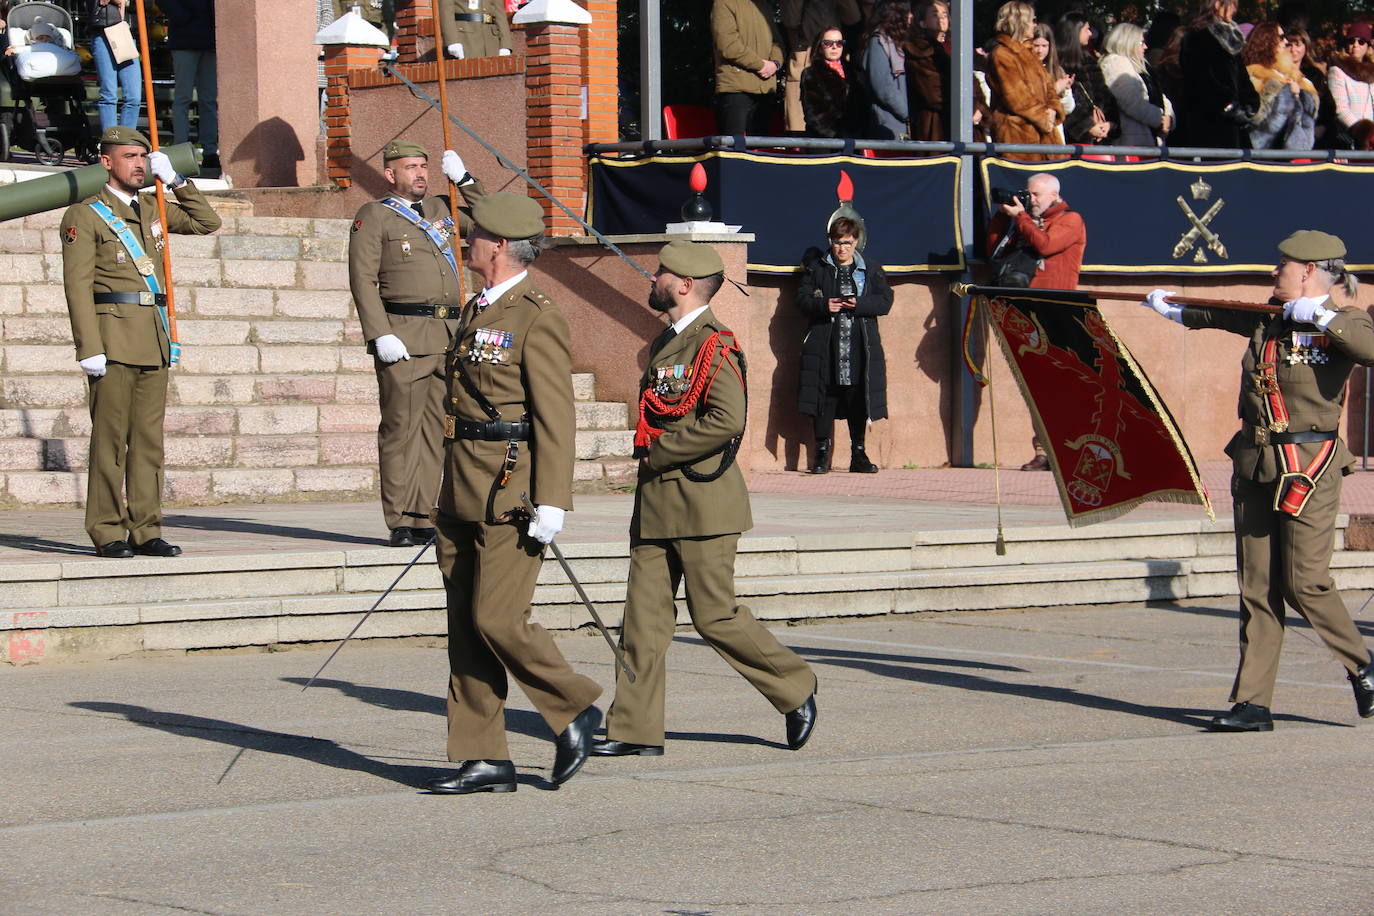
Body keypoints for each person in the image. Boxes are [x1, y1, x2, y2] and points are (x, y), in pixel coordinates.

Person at [589, 241, 818, 759]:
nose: (654, 277)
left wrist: (661, 453)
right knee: (643, 622)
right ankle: (634, 729)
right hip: (656, 505)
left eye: (662, 272)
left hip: (702, 500)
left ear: (685, 285)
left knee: (714, 616)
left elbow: (727, 419)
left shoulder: (714, 342)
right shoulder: (668, 342)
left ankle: (794, 686)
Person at [1140, 231, 1374, 731]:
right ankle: (1253, 703)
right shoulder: (1271, 317)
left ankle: (1363, 663)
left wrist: (1324, 318)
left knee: (1305, 583)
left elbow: (1367, 347)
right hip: (1256, 461)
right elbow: (1219, 314)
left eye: (1282, 266)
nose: (1275, 273)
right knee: (1258, 587)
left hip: (1308, 464)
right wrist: (1169, 307)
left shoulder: (1347, 320)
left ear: (1309, 271)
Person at [424, 192, 602, 795]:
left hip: (510, 487)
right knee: (466, 625)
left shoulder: (535, 314)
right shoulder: (478, 307)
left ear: (497, 246)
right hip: (461, 484)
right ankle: (484, 757)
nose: (465, 241)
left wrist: (553, 497)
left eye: (473, 235)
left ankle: (574, 705)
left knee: (497, 618)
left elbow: (556, 415)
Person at [60, 127, 222, 557]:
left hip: (153, 337)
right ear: (107, 163)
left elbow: (209, 223)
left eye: (143, 157)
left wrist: (180, 182)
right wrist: (87, 346)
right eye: (129, 156)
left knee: (149, 442)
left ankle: (146, 528)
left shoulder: (154, 205)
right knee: (111, 441)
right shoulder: (86, 214)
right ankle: (107, 529)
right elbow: (76, 286)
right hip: (112, 338)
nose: (138, 164)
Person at [347, 140, 486, 548]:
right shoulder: (374, 216)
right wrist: (379, 332)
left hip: (447, 335)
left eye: (425, 166)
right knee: (401, 429)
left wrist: (466, 179)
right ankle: (400, 518)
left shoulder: (443, 210)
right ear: (391, 174)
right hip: (403, 336)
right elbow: (362, 279)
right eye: (411, 167)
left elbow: (493, 218)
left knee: (434, 432)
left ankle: (425, 515)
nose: (421, 174)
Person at [985, 173, 1086, 471]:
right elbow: (995, 250)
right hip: (1027, 314)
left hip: (1057, 312)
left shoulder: (1071, 220)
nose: (1031, 200)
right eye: (1029, 194)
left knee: (1061, 386)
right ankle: (1044, 451)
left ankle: (1069, 449)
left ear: (1054, 195)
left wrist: (1022, 220)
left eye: (1037, 195)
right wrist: (1004, 218)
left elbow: (1044, 246)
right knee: (1036, 386)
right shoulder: (1023, 221)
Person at [796, 217, 890, 474]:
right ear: (830, 242)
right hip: (826, 345)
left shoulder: (870, 269)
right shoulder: (818, 269)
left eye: (847, 243)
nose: (842, 248)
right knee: (825, 397)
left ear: (856, 242)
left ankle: (858, 454)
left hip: (860, 346)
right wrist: (823, 305)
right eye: (837, 243)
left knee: (858, 398)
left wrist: (859, 304)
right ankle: (821, 455)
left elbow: (885, 302)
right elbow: (802, 300)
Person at [1171, 0, 1258, 149]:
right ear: (1217, 4)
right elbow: (1201, 82)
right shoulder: (1197, 37)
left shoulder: (1231, 40)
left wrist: (1250, 103)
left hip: (1235, 128)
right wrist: (1227, 105)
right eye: (1231, 4)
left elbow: (1242, 78)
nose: (1234, 10)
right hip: (1207, 127)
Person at [986, 0, 1064, 161]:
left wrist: (1054, 109)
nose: (1035, 25)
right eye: (1032, 20)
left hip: (1045, 135)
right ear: (1019, 22)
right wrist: (1043, 117)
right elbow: (1016, 97)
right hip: (1017, 135)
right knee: (1023, 184)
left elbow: (1049, 86)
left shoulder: (1030, 52)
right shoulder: (1002, 54)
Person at [781, 0, 861, 132]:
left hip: (836, 59)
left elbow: (853, 18)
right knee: (799, 126)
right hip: (805, 57)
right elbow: (790, 20)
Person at [159, 0, 218, 173]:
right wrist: (181, 16)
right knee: (184, 98)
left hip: (207, 40)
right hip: (186, 40)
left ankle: (210, 151)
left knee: (208, 99)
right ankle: (181, 151)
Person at [711, 0, 784, 137]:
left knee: (762, 152)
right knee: (733, 149)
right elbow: (728, 45)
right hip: (735, 88)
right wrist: (761, 65)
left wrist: (775, 64)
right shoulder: (724, 3)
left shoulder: (764, 6)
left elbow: (777, 42)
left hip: (765, 89)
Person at [1243, 22, 1317, 150]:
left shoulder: (1295, 76)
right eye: (1281, 37)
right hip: (1260, 150)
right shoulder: (1255, 73)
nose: (1286, 41)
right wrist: (1282, 89)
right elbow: (1254, 116)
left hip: (1289, 151)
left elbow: (1311, 113)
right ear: (1268, 41)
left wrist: (1298, 95)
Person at [1100, 22, 1173, 147]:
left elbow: (1160, 96)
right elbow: (1132, 103)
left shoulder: (1143, 66)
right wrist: (1160, 119)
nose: (1145, 47)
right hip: (1131, 144)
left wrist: (1169, 118)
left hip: (1149, 140)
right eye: (1141, 43)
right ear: (1128, 42)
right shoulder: (1116, 63)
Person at [1057, 11, 1119, 146]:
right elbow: (1063, 104)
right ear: (1074, 31)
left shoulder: (1090, 61)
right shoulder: (1058, 65)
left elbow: (1105, 96)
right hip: (1073, 143)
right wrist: (1087, 127)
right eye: (1086, 29)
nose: (1090, 34)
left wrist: (1110, 123)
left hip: (1100, 141)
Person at [89, 0, 141, 131]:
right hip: (102, 31)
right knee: (108, 94)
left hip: (125, 34)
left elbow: (145, 4)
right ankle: (111, 141)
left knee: (134, 97)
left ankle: (126, 139)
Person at [862, 0, 911, 140]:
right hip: (889, 123)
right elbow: (883, 87)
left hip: (904, 123)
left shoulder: (902, 43)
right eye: (907, 12)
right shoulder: (879, 41)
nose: (911, 16)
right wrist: (907, 112)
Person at [902, 0, 950, 141]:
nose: (941, 18)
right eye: (935, 14)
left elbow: (971, 84)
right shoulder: (918, 49)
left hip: (965, 123)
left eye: (945, 14)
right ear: (922, 22)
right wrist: (966, 108)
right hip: (935, 126)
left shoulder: (955, 48)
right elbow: (933, 93)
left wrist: (977, 106)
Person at [801, 26, 860, 137]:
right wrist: (835, 134)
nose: (834, 47)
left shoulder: (853, 72)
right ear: (820, 46)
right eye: (828, 43)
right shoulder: (811, 73)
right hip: (823, 141)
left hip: (851, 139)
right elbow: (813, 113)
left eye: (839, 43)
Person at [1326, 23, 1374, 143]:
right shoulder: (1337, 70)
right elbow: (1340, 108)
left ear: (1368, 46)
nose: (1355, 45)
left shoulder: (1371, 71)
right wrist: (1362, 132)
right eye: (1352, 41)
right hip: (1348, 137)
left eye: (1361, 41)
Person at [1031, 21, 1074, 143]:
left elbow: (1069, 108)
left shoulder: (1056, 70)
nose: (1040, 51)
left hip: (1055, 133)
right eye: (1036, 45)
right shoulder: (1027, 70)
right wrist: (1055, 89)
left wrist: (1065, 91)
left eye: (1044, 46)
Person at [438, 0, 512, 59]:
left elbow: (499, 12)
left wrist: (505, 44)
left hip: (491, 40)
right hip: (465, 38)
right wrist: (452, 41)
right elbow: (446, 10)